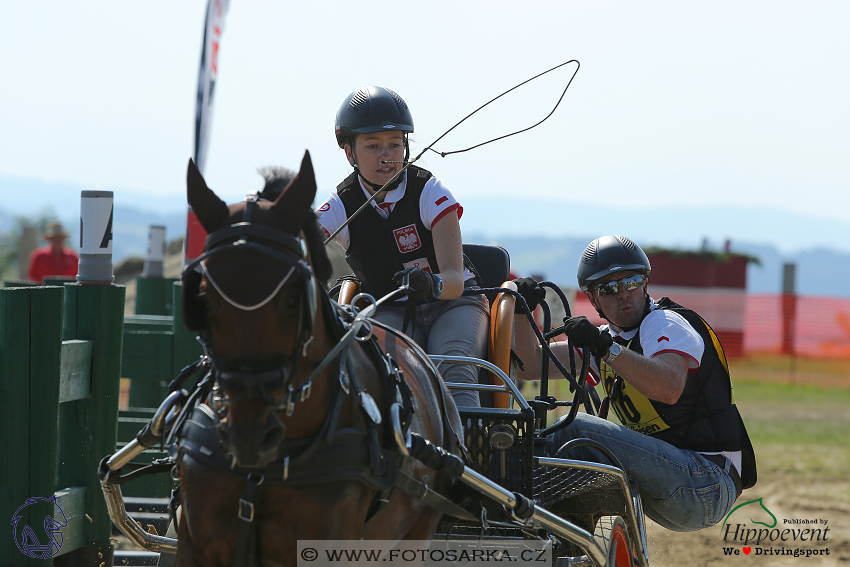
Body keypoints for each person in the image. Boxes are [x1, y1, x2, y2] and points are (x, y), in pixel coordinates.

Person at [513, 235, 757, 532]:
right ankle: (559, 533)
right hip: (670, 478)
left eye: (631, 281)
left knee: (574, 429)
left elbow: (668, 387)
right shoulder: (610, 340)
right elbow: (529, 365)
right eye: (609, 288)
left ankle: (513, 511)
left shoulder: (665, 323)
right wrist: (521, 313)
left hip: (706, 481)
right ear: (592, 298)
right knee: (550, 441)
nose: (623, 294)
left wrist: (606, 350)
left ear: (645, 283)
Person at [316, 86, 490, 408]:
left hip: (454, 304)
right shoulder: (342, 204)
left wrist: (432, 282)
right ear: (349, 153)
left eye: (395, 144)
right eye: (373, 145)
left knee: (451, 366)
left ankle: (471, 453)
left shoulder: (430, 192)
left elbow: (453, 278)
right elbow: (304, 240)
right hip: (391, 310)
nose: (387, 155)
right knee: (381, 372)